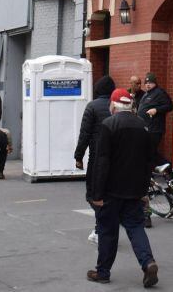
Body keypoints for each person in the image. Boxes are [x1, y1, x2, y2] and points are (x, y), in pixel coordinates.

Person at [87, 89, 159, 288]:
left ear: (113, 105)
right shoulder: (143, 126)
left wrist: (97, 194)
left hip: (111, 190)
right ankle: (148, 262)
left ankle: (102, 272)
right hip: (134, 189)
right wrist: (144, 190)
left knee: (108, 230)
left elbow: (102, 162)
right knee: (136, 227)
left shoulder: (108, 125)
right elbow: (148, 162)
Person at [75, 75, 115, 244]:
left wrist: (78, 156)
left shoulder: (92, 107)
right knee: (110, 194)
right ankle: (105, 227)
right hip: (117, 158)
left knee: (93, 194)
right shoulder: (117, 106)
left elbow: (84, 134)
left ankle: (100, 229)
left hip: (97, 157)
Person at [137, 73, 172, 167]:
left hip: (155, 128)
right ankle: (158, 170)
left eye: (150, 83)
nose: (148, 85)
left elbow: (169, 105)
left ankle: (168, 167)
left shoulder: (160, 93)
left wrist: (156, 110)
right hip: (146, 128)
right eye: (146, 83)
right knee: (149, 151)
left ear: (155, 83)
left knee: (149, 151)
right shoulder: (146, 94)